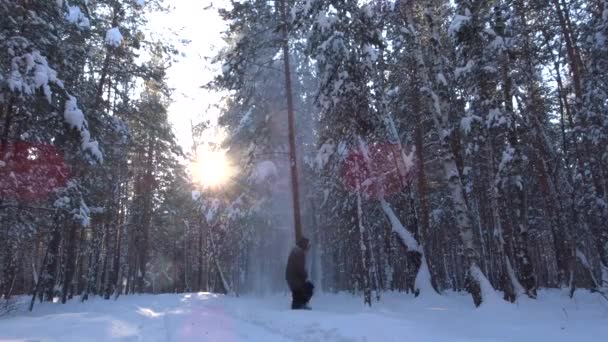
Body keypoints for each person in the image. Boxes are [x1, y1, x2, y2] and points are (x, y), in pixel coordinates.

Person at [285, 237, 314, 310]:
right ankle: (300, 304)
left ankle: (298, 304)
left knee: (297, 292)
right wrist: (305, 275)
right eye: (308, 246)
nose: (308, 248)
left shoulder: (295, 251)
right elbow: (300, 267)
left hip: (291, 278)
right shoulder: (299, 253)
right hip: (295, 279)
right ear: (304, 245)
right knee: (309, 287)